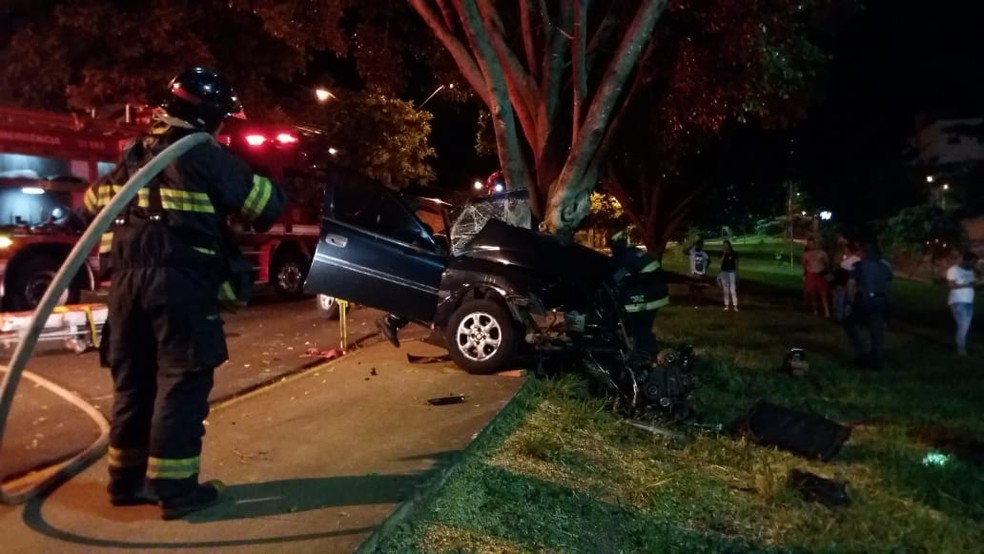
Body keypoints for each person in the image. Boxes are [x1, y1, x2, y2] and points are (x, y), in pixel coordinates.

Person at [82, 66, 286, 520]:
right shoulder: (202, 154)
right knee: (181, 380)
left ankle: (126, 482)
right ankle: (175, 491)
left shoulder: (135, 155)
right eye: (223, 118)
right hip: (179, 283)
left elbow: (92, 206)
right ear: (210, 114)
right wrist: (269, 176)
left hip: (125, 288)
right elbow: (264, 206)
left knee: (135, 384)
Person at [608, 229, 669, 357]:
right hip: (658, 293)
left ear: (615, 244)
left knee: (640, 329)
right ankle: (643, 352)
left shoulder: (623, 258)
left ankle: (652, 356)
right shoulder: (634, 252)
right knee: (643, 327)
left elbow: (618, 278)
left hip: (645, 295)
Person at [843, 238, 893, 370]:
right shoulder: (885, 267)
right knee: (877, 331)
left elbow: (851, 284)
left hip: (865, 299)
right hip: (881, 300)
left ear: (865, 253)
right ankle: (877, 361)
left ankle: (863, 354)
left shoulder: (859, 266)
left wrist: (850, 302)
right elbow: (888, 280)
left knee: (851, 324)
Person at [946, 251, 981, 356]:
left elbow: (973, 284)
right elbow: (951, 285)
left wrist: (978, 281)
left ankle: (961, 347)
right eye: (973, 262)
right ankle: (961, 350)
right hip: (958, 301)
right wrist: (968, 285)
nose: (974, 264)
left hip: (968, 302)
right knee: (963, 325)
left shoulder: (970, 272)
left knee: (964, 326)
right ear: (967, 260)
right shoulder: (954, 270)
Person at [831, 240, 861, 322]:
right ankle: (839, 315)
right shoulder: (845, 257)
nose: (844, 250)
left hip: (849, 280)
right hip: (841, 280)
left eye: (845, 248)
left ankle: (845, 315)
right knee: (839, 297)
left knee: (847, 298)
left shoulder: (855, 259)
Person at [801, 237, 831, 318]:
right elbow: (804, 265)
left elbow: (827, 263)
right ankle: (815, 309)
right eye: (809, 244)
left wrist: (825, 272)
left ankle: (826, 310)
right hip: (811, 274)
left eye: (812, 244)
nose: (811, 245)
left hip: (820, 273)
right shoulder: (806, 254)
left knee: (823, 293)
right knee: (812, 293)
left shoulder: (822, 253)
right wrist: (806, 272)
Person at [688, 239, 711, 308]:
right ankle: (691, 303)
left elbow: (709, 260)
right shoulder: (692, 251)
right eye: (698, 245)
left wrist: (705, 268)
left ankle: (698, 303)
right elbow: (684, 251)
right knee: (691, 288)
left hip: (701, 274)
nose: (699, 246)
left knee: (699, 289)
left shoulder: (703, 253)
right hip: (694, 273)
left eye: (701, 245)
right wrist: (691, 246)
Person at [718, 240, 739, 311]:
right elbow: (720, 262)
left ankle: (735, 305)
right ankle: (726, 305)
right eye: (724, 245)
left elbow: (736, 263)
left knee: (732, 289)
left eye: (727, 245)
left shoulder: (733, 253)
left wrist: (737, 273)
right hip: (724, 272)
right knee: (725, 289)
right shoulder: (721, 253)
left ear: (729, 246)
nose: (725, 247)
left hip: (732, 272)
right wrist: (724, 254)